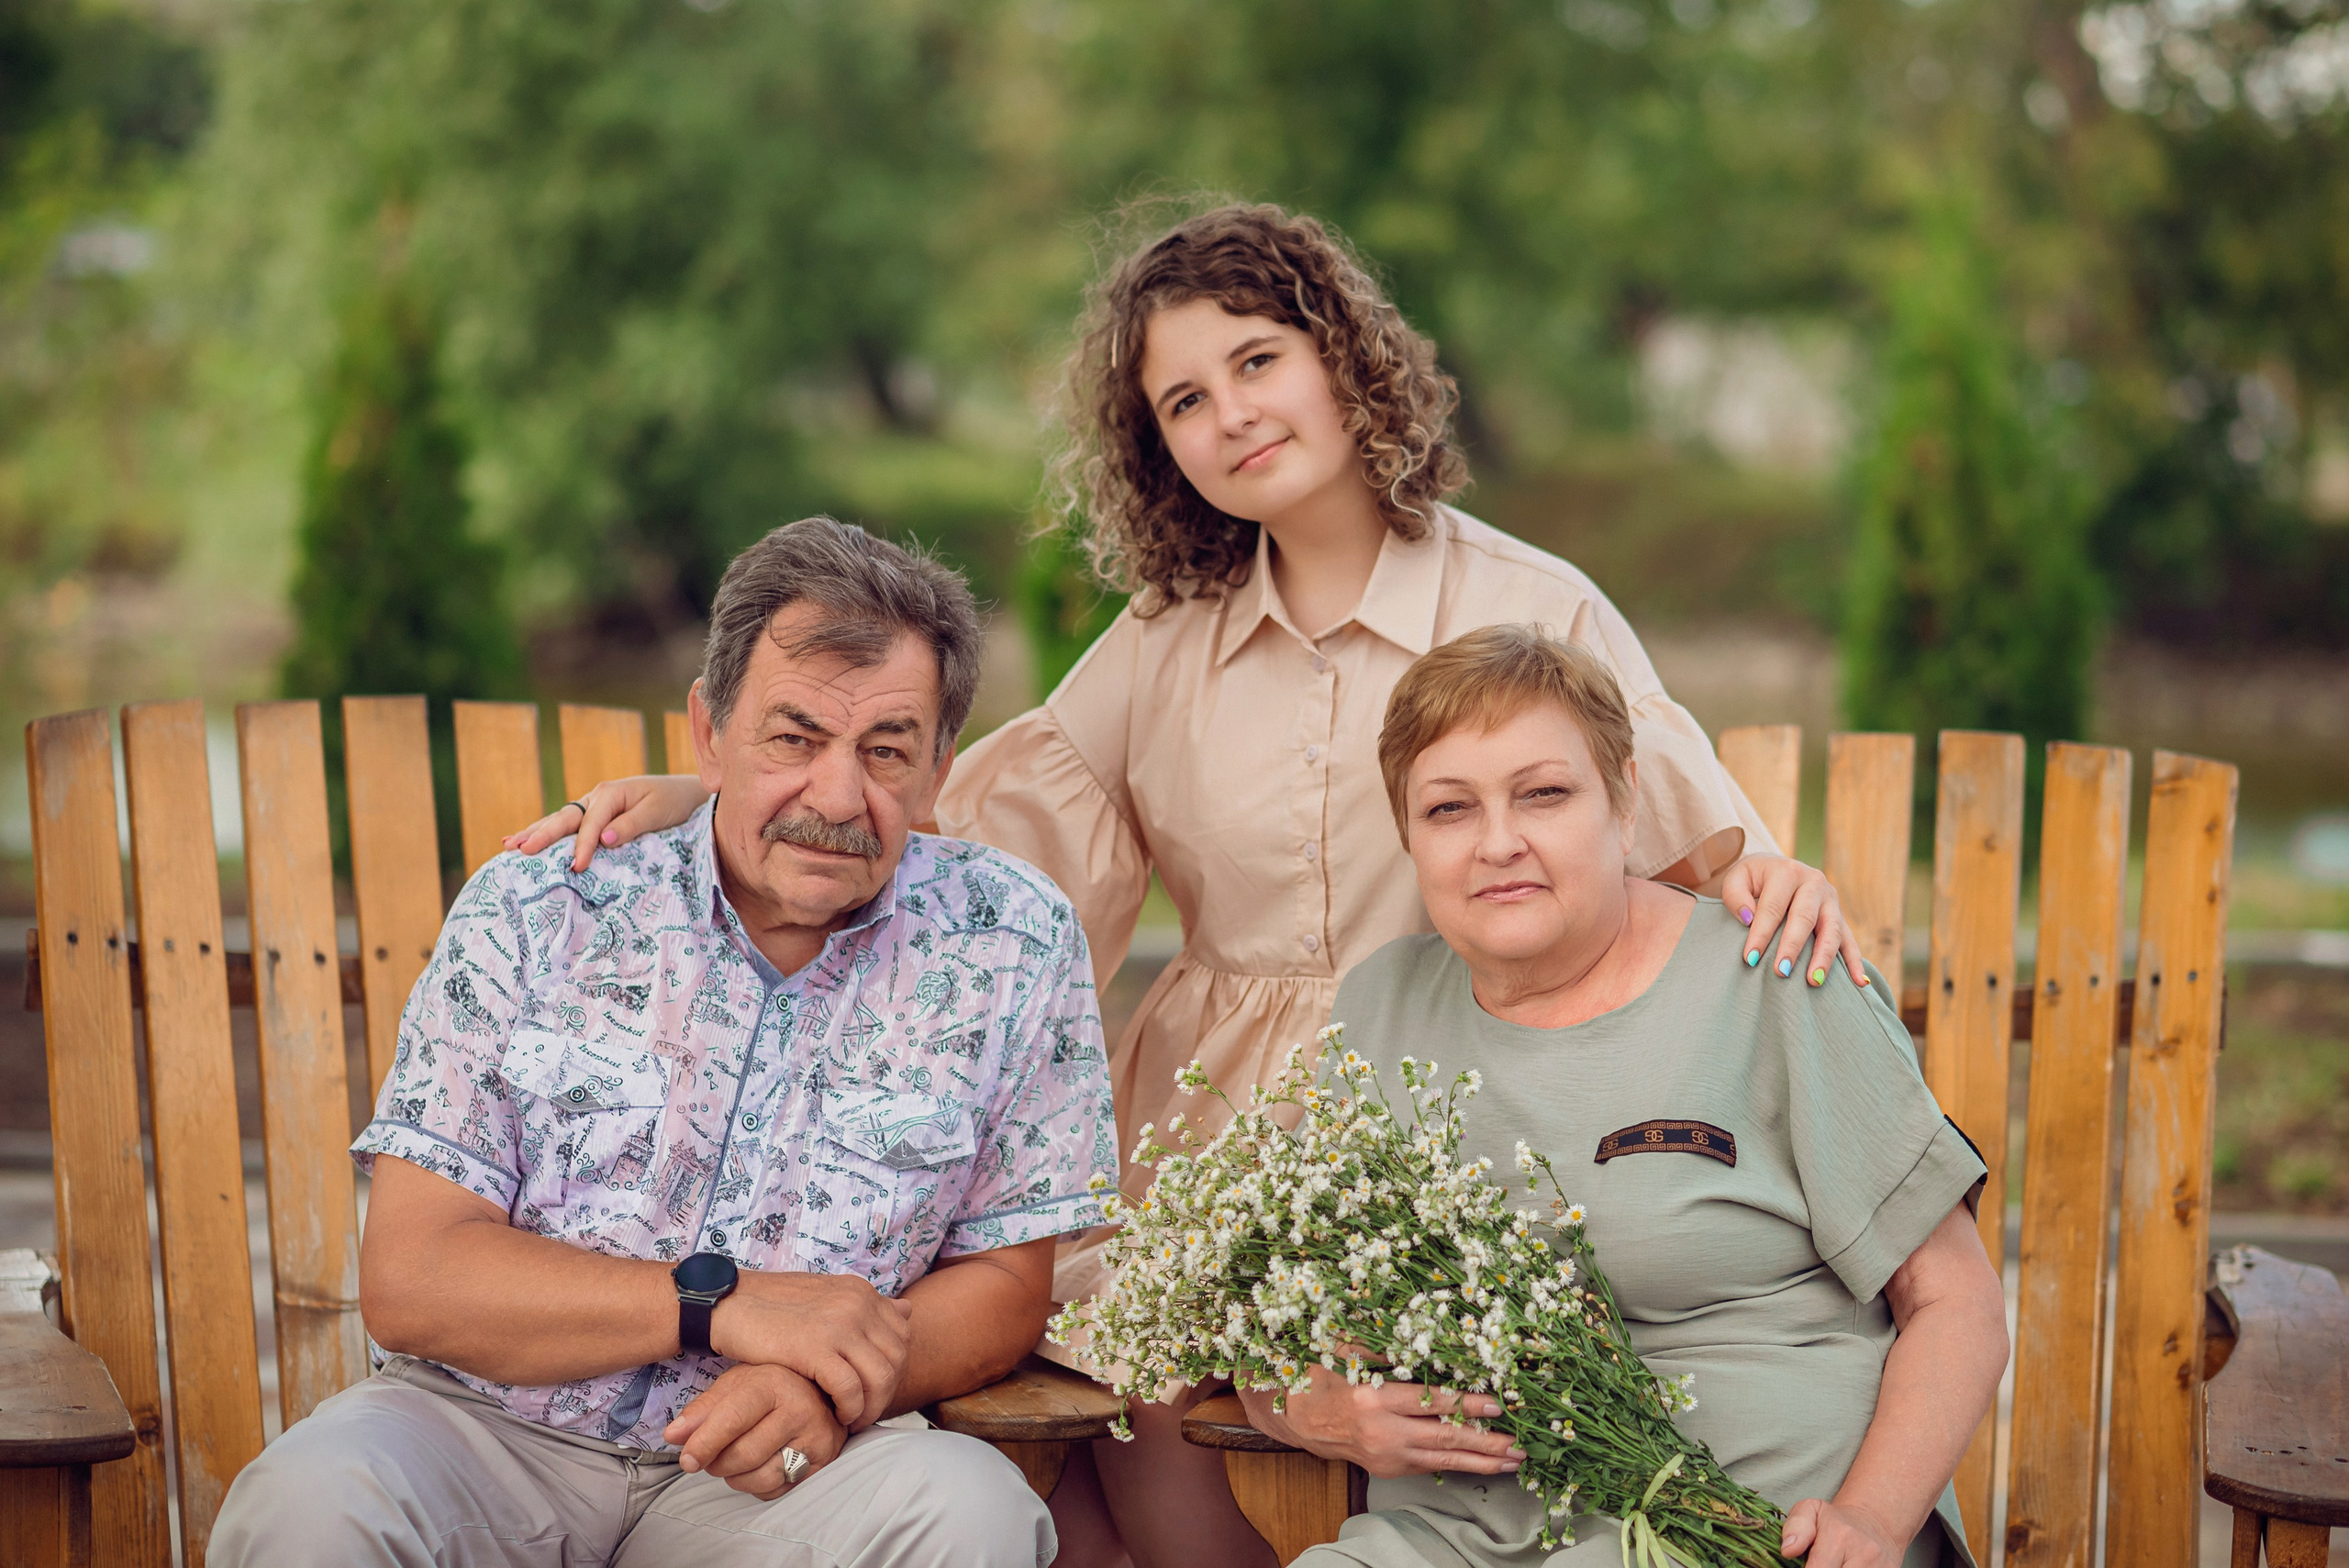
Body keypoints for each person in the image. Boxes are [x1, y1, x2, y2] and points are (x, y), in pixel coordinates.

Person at [508, 204, 1874, 1568]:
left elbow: (1679, 848)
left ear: (1344, 357)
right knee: (1088, 1369)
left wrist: (1772, 879)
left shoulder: (1533, 604)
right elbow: (965, 832)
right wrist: (725, 796)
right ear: (1156, 447)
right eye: (1182, 400)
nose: (1231, 413)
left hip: (1451, 1107)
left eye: (1259, 360)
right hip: (1209, 1128)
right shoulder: (1164, 645)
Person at [208, 518, 1117, 1568]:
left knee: (971, 1510)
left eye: (885, 751)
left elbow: (1006, 1282)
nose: (836, 795)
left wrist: (831, 1378)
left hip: (786, 1470)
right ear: (707, 730)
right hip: (483, 1434)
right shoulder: (546, 903)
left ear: (938, 765)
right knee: (310, 1502)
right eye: (793, 736)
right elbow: (415, 1275)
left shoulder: (1010, 939)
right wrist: (716, 1304)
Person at [1244, 624, 2006, 1568]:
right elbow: (1268, 1321)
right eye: (1448, 808)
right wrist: (1308, 1404)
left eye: (1544, 793)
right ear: (1407, 834)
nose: (1498, 842)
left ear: (1625, 803)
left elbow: (1956, 1300)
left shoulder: (1772, 975)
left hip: (1749, 1530)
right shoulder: (1376, 1010)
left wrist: (1874, 1519)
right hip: (1445, 1537)